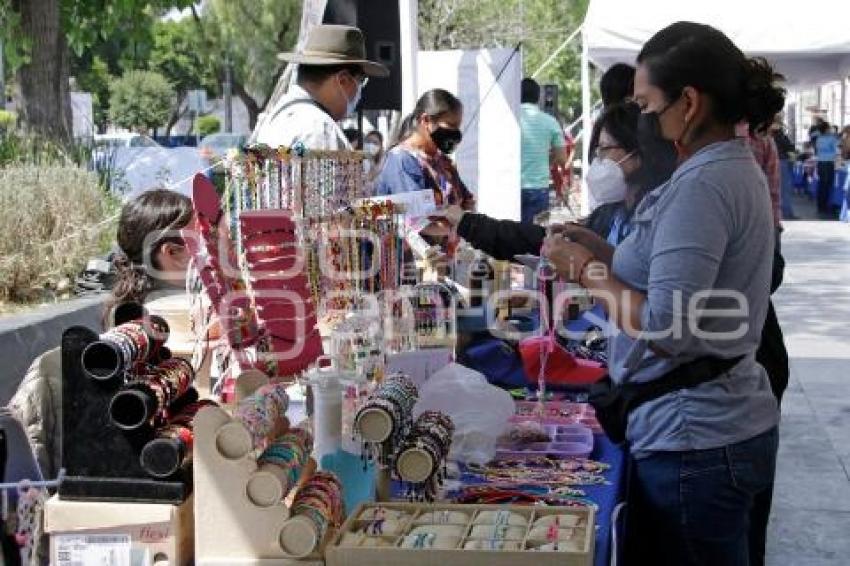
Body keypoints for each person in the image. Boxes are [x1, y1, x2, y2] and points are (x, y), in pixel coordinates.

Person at [542, 22, 784, 566]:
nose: (642, 119)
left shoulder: (704, 185)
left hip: (695, 437)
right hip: (706, 429)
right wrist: (603, 250)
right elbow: (672, 272)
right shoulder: (717, 170)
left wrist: (584, 271)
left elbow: (668, 325)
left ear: (690, 103)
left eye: (647, 105)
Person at [429, 102, 678, 260]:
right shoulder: (609, 216)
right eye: (596, 152)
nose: (598, 161)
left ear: (638, 153)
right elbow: (537, 238)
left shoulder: (657, 221)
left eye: (604, 149)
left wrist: (585, 270)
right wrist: (469, 223)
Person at [255, 25, 389, 150]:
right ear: (343, 81)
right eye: (361, 80)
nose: (359, 91)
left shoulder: (276, 117)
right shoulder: (320, 129)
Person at [374, 89, 474, 210]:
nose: (455, 132)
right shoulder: (402, 160)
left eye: (457, 127)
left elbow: (466, 202)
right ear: (426, 120)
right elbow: (417, 219)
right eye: (450, 125)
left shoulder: (443, 162)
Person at [520, 78, 567, 223]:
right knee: (536, 238)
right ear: (538, 96)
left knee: (510, 237)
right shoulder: (550, 122)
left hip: (511, 187)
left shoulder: (508, 119)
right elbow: (562, 159)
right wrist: (545, 160)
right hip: (539, 188)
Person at [772, 118, 798, 219]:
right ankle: (786, 212)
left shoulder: (765, 134)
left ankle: (776, 212)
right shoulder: (779, 134)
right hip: (781, 161)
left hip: (773, 161)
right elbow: (788, 147)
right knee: (784, 188)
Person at [814, 120, 839, 217]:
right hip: (829, 163)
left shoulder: (818, 139)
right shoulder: (832, 138)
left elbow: (817, 149)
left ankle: (820, 206)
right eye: (829, 128)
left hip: (820, 162)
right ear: (826, 129)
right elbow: (837, 150)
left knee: (821, 185)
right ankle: (827, 206)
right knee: (828, 185)